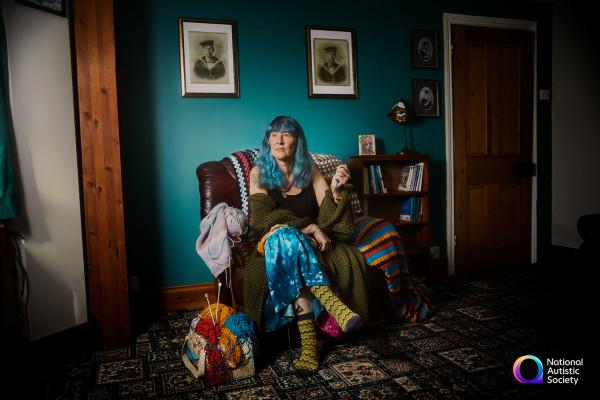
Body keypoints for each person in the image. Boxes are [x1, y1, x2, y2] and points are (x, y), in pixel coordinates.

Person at [246, 115, 366, 376]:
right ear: (268, 140)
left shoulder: (309, 169)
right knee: (284, 237)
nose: (279, 140)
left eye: (286, 134)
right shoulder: (258, 173)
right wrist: (309, 227)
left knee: (294, 250)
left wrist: (335, 192)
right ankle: (331, 305)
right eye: (274, 134)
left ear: (297, 141)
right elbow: (266, 221)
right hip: (271, 244)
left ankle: (309, 349)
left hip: (308, 248)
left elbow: (330, 218)